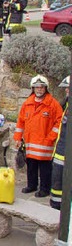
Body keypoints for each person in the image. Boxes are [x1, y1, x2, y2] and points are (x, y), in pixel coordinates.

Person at [13, 75, 63, 198]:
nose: (39, 90)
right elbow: (21, 122)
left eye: (41, 87)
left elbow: (59, 122)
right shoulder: (27, 103)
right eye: (36, 87)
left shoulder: (53, 104)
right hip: (30, 142)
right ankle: (32, 185)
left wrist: (51, 137)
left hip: (45, 144)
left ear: (46, 88)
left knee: (45, 168)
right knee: (31, 166)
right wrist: (18, 138)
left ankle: (45, 189)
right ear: (33, 89)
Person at [51, 75, 69, 209]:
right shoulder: (66, 105)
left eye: (69, 88)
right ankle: (56, 207)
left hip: (66, 155)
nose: (66, 91)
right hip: (60, 153)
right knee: (57, 182)